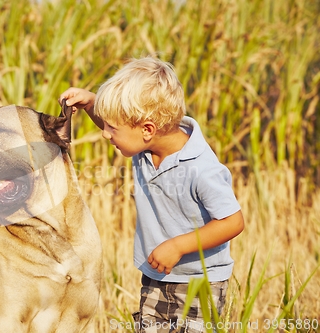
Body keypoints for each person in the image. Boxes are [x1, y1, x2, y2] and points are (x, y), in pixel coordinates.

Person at [59, 56, 244, 333]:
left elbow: (232, 222)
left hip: (199, 283)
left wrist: (178, 246)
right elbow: (124, 125)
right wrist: (90, 102)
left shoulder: (201, 168)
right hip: (155, 276)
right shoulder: (145, 145)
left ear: (148, 130)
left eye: (111, 129)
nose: (105, 135)